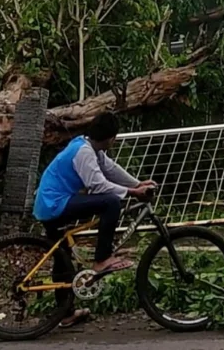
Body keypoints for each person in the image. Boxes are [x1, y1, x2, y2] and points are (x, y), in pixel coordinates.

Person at [33, 113, 155, 328]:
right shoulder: (84, 152)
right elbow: (98, 185)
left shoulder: (90, 147)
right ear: (110, 138)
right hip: (55, 204)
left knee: (62, 257)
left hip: (52, 203)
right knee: (110, 202)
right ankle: (102, 259)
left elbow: (110, 169)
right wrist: (133, 193)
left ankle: (66, 313)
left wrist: (137, 183)